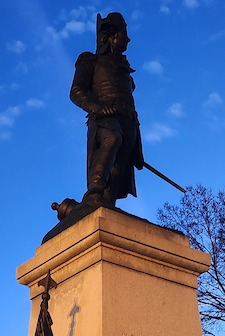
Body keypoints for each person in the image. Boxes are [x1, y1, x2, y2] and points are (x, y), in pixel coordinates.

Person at [70, 12, 144, 208]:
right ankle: (93, 191)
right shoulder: (90, 61)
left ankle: (107, 202)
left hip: (128, 119)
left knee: (120, 165)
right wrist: (99, 109)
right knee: (112, 139)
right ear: (111, 36)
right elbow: (76, 91)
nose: (127, 39)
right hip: (104, 116)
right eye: (123, 34)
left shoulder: (126, 70)